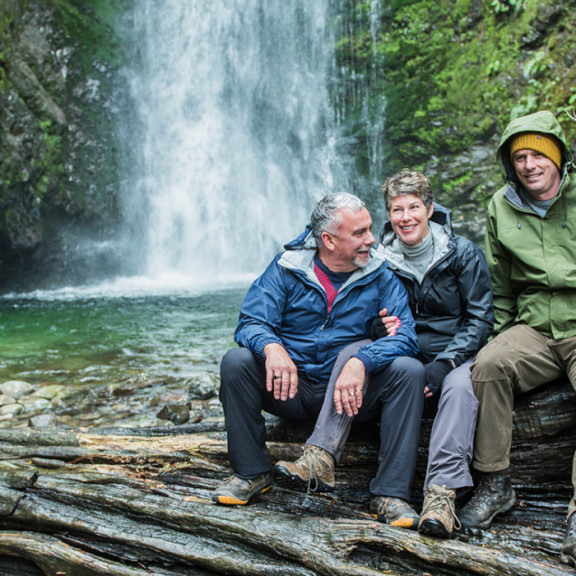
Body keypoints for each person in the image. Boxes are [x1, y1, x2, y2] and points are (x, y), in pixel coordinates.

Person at [276, 170, 493, 537]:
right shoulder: (376, 256)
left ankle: (441, 496)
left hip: (453, 355)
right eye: (396, 209)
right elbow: (354, 303)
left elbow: (480, 318)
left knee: (460, 388)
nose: (405, 217)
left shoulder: (462, 253)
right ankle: (320, 456)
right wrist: (375, 330)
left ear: (430, 208)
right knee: (355, 350)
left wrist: (445, 363)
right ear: (388, 214)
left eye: (413, 207)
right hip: (400, 352)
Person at [214, 192, 424, 529]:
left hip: (350, 397)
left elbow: (406, 336)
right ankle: (251, 473)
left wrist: (362, 361)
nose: (371, 239)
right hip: (290, 389)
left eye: (369, 229)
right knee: (236, 361)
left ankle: (390, 493)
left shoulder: (381, 273)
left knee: (409, 370)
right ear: (327, 239)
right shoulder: (286, 268)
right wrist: (272, 346)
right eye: (359, 233)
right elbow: (251, 322)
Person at [457, 110, 576, 565]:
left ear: (558, 156)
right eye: (519, 157)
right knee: (487, 365)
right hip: (534, 325)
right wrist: (500, 338)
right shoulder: (500, 206)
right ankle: (496, 483)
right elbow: (501, 284)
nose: (529, 165)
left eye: (538, 154)